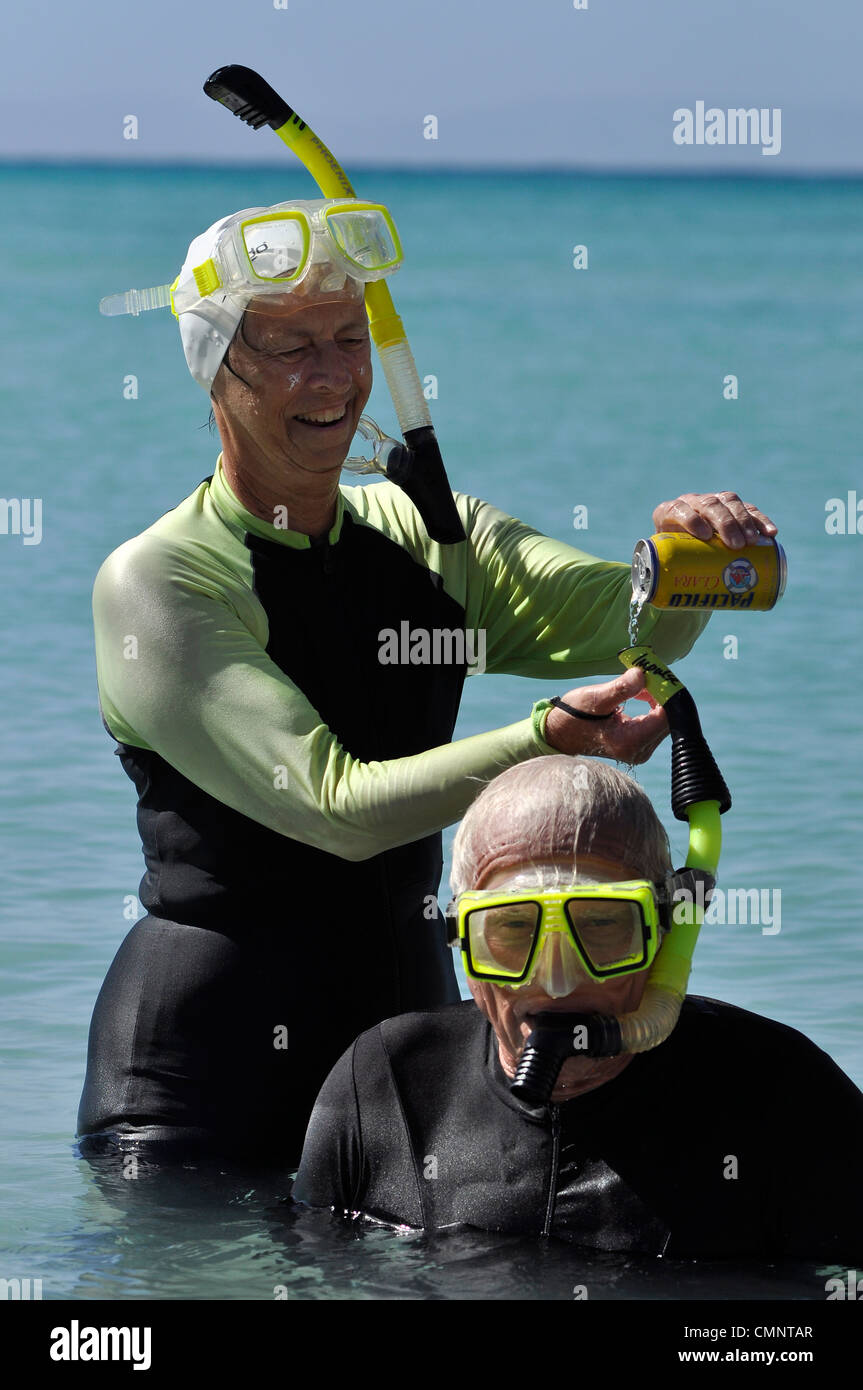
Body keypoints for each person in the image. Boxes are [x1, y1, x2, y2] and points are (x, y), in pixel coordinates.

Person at [77, 195, 778, 1167]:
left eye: (347, 338)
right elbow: (332, 805)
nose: (331, 377)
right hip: (200, 1074)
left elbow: (628, 622)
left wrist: (685, 563)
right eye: (289, 349)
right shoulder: (159, 580)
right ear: (215, 370)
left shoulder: (434, 542)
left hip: (402, 1044)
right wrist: (541, 739)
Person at [294, 756, 863, 1260]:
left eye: (601, 925)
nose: (560, 981)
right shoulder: (386, 1081)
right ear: (462, 943)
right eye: (514, 929)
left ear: (666, 933)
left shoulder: (785, 1095)